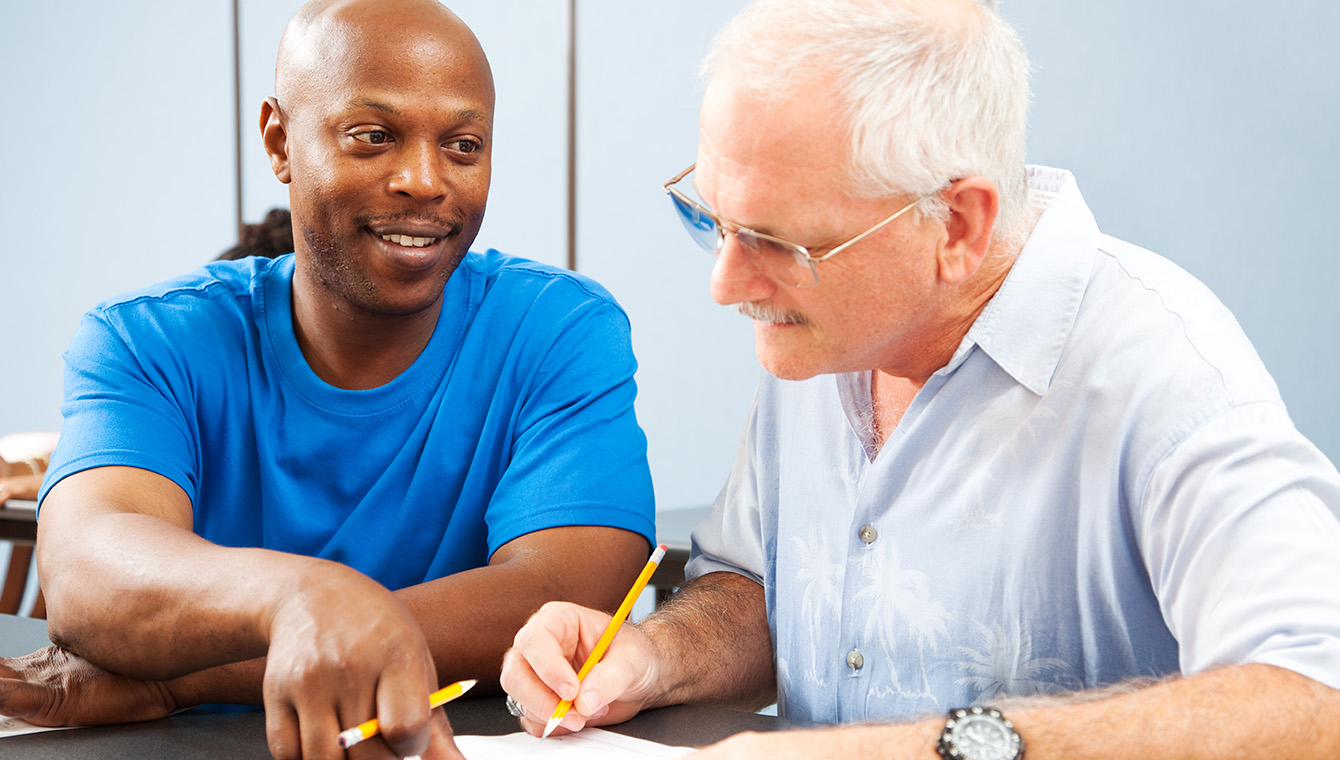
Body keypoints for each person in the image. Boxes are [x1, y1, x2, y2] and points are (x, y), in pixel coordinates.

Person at [499, 0, 1340, 758]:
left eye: (779, 243)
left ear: (959, 223)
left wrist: (919, 751)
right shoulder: (822, 331)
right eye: (713, 220)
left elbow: (1317, 699)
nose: (724, 283)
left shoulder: (1164, 374)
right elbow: (756, 590)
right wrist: (655, 657)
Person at [0, 1, 655, 759]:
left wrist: (184, 677)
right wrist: (303, 597)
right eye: (373, 137)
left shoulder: (558, 328)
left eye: (464, 145)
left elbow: (565, 592)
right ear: (280, 141)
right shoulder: (148, 339)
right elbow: (87, 571)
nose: (424, 180)